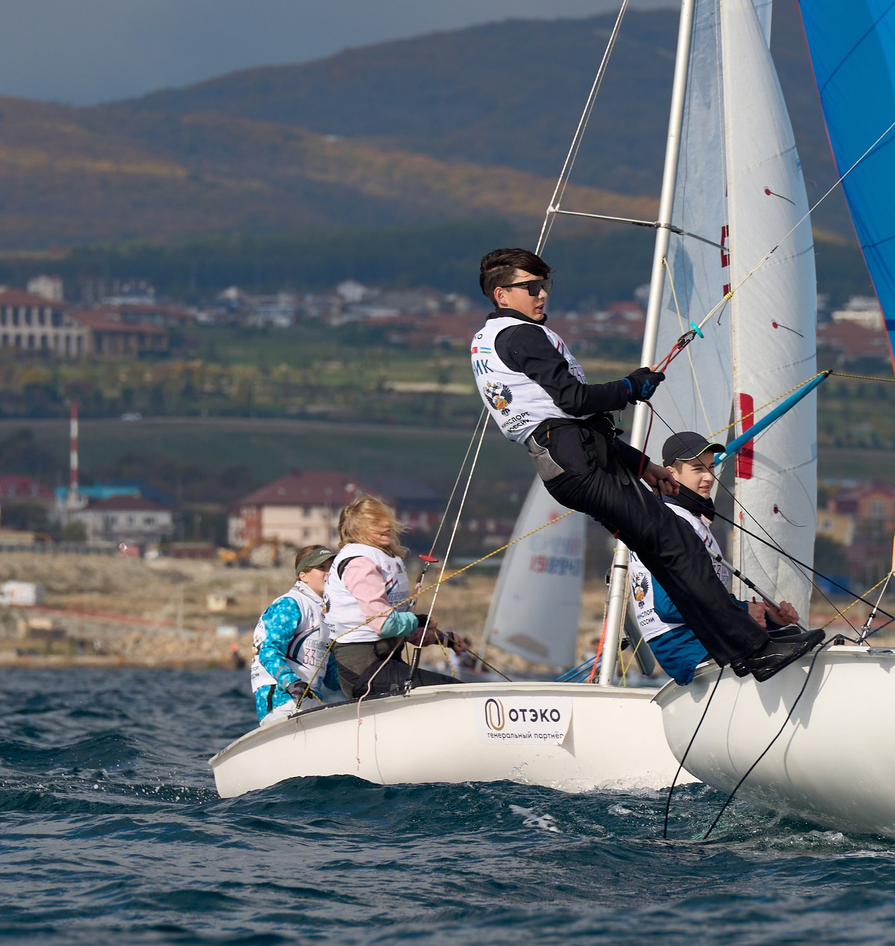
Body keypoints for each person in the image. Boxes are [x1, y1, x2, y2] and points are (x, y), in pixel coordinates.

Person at [470, 246, 821, 682]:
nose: (542, 295)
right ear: (502, 295)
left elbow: (570, 419)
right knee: (678, 546)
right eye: (530, 287)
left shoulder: (493, 339)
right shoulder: (521, 335)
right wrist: (630, 387)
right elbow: (574, 402)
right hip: (575, 462)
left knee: (669, 550)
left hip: (573, 460)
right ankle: (752, 650)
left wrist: (643, 466)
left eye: (545, 285)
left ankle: (744, 649)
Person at [627, 432, 801, 684]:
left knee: (793, 634)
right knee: (798, 645)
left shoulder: (690, 519)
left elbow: (704, 596)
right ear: (671, 473)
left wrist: (765, 617)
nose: (709, 476)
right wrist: (742, 611)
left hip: (704, 636)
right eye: (697, 468)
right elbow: (670, 606)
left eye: (711, 467)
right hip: (684, 646)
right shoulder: (669, 521)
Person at [325, 493, 466, 698]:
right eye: (375, 522)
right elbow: (384, 624)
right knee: (454, 691)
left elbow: (399, 621)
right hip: (362, 669)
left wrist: (444, 639)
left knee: (452, 688)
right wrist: (420, 620)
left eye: (385, 518)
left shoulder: (384, 558)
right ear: (356, 529)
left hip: (384, 660)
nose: (385, 524)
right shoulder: (360, 563)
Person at [250, 545, 341, 724]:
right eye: (321, 568)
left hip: (310, 699)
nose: (328, 573)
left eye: (331, 568)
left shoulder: (325, 612)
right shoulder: (290, 604)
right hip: (281, 699)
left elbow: (331, 678)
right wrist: (291, 683)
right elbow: (268, 651)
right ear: (303, 576)